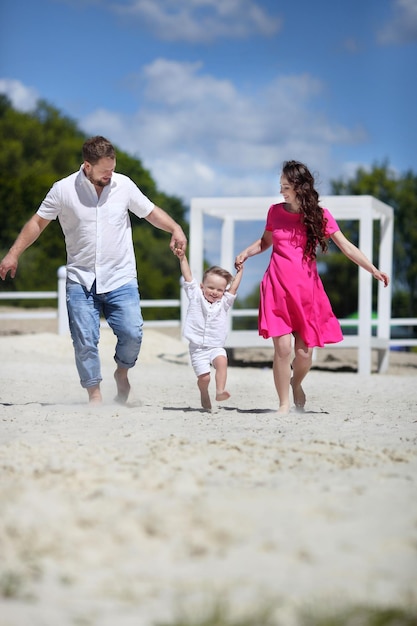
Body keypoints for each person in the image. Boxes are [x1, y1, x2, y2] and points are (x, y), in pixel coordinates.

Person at [0, 136, 187, 404]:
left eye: (112, 169)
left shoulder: (123, 185)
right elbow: (37, 223)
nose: (110, 176)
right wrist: (13, 254)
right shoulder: (63, 190)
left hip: (120, 276)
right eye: (104, 171)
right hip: (80, 278)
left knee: (133, 333)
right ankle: (95, 396)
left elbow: (150, 212)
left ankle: (122, 372)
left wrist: (175, 228)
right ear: (87, 165)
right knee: (85, 341)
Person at [234, 160, 390, 415]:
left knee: (304, 355)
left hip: (307, 293)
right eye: (281, 186)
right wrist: (246, 252)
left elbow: (346, 246)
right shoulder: (274, 211)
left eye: (285, 186)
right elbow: (265, 242)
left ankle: (296, 383)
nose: (281, 191)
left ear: (299, 187)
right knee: (282, 350)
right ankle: (283, 405)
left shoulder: (319, 216)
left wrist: (372, 269)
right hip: (276, 288)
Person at [175, 248, 243, 411]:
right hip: (197, 347)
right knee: (204, 378)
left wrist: (240, 271)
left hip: (215, 345)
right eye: (211, 287)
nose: (215, 292)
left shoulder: (224, 303)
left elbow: (233, 288)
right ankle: (203, 392)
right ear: (202, 286)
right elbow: (188, 277)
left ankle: (220, 390)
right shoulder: (196, 295)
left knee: (222, 361)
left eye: (220, 290)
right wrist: (182, 257)